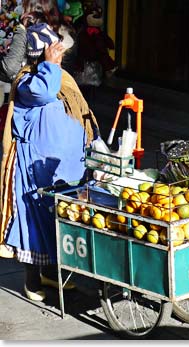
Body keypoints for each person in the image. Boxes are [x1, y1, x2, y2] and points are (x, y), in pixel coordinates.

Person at [0, 20, 99, 302]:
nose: (60, 54)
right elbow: (45, 91)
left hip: (64, 170)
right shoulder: (29, 82)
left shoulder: (59, 76)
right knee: (35, 222)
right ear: (41, 55)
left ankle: (51, 275)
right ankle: (32, 282)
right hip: (34, 170)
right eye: (54, 50)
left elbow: (80, 110)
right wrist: (51, 64)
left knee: (57, 220)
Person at [0, 0, 77, 83]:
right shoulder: (66, 33)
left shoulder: (26, 32)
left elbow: (10, 68)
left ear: (30, 11)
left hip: (34, 88)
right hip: (59, 87)